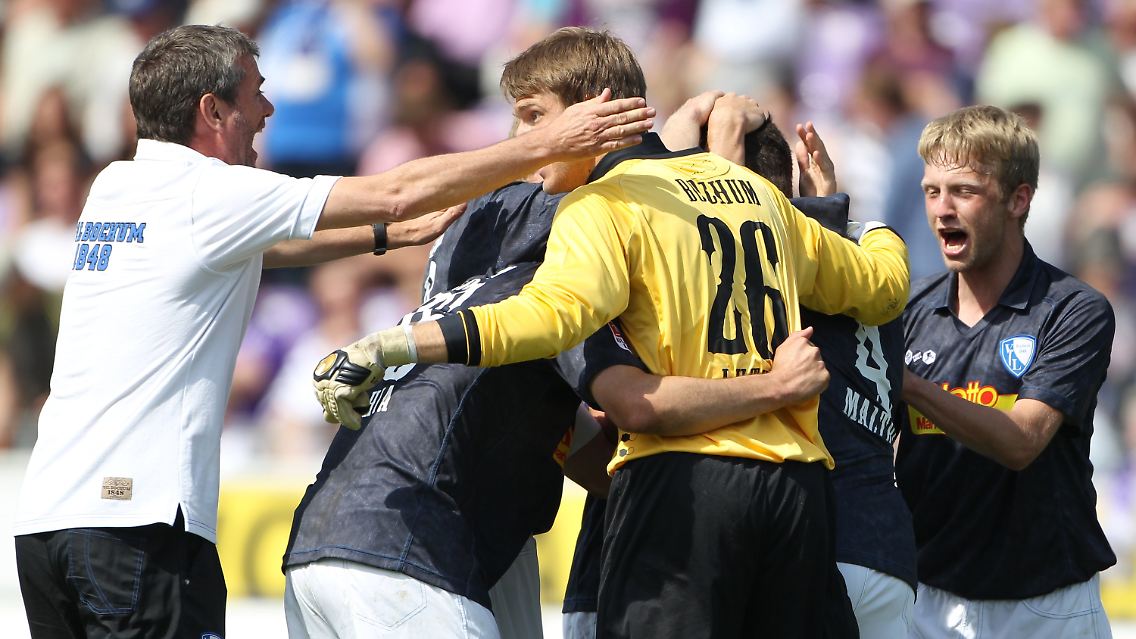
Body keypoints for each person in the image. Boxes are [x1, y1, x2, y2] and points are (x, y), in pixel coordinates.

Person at [10, 23, 652, 638]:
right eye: (254, 90)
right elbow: (398, 190)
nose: (267, 108)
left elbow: (263, 247)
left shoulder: (116, 187)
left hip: (46, 523)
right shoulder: (213, 193)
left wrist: (382, 239)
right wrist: (548, 142)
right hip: (137, 523)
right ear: (211, 110)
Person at [314, 27, 909, 638]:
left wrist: (393, 343)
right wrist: (878, 222)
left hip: (683, 490)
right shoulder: (764, 201)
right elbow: (883, 285)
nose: (524, 140)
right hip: (795, 492)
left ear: (597, 110)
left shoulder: (599, 207)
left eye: (535, 117)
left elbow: (547, 316)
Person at [563, 106, 917, 639]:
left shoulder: (658, 255)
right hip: (870, 544)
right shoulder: (843, 252)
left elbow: (715, 240)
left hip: (703, 532)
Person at [896, 104, 1116, 638]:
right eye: (931, 191)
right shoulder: (908, 310)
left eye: (964, 191)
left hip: (1047, 607)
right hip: (928, 603)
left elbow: (1021, 442)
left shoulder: (1073, 309)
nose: (942, 210)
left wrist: (906, 383)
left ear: (1019, 199)